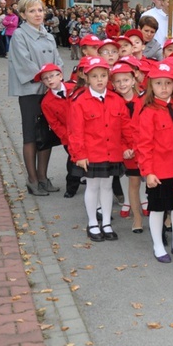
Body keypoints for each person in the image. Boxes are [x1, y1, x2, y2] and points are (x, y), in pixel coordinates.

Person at [68, 58, 135, 242]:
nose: (99, 80)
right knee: (93, 186)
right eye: (95, 76)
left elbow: (125, 126)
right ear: (87, 77)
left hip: (112, 151)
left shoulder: (116, 100)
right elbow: (75, 131)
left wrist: (128, 146)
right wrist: (79, 154)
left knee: (107, 187)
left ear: (109, 77)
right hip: (91, 153)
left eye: (104, 76)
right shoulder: (80, 102)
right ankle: (92, 223)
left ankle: (106, 223)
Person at [8, 0, 64, 196]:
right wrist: (48, 78)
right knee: (32, 134)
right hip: (31, 92)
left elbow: (58, 61)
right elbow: (25, 64)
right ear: (23, 15)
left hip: (49, 91)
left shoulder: (48, 35)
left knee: (46, 134)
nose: (37, 14)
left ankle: (43, 177)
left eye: (40, 10)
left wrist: (56, 78)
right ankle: (32, 179)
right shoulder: (20, 36)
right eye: (32, 11)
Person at [137, 63, 173, 263]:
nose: (164, 87)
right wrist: (148, 171)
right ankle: (157, 244)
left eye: (168, 83)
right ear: (151, 86)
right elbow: (143, 145)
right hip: (158, 170)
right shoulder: (148, 111)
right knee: (157, 208)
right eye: (159, 83)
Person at [110, 62, 147, 231]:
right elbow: (114, 130)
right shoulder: (114, 102)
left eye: (125, 80)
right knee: (133, 183)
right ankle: (137, 218)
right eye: (118, 81)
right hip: (129, 151)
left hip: (145, 148)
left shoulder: (144, 100)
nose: (122, 84)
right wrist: (124, 148)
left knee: (158, 183)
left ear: (133, 80)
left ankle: (166, 218)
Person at [37, 63, 80, 199]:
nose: (49, 80)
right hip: (68, 136)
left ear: (60, 76)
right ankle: (72, 187)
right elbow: (54, 124)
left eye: (52, 76)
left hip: (86, 131)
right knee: (74, 161)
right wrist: (66, 137)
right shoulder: (46, 102)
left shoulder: (74, 89)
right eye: (45, 78)